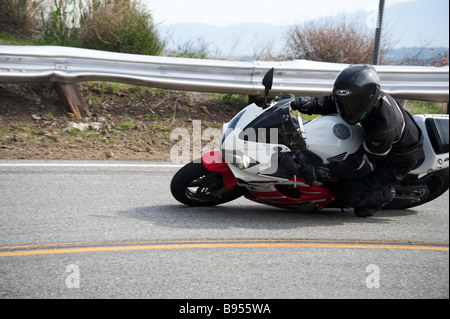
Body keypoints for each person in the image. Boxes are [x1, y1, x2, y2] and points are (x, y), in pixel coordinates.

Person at [291, 64, 424, 217]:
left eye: (351, 103)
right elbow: (330, 103)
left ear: (368, 98)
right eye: (343, 100)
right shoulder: (358, 100)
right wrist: (299, 103)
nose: (346, 107)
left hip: (395, 159)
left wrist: (324, 171)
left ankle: (385, 194)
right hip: (374, 143)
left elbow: (363, 164)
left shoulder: (385, 127)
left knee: (344, 191)